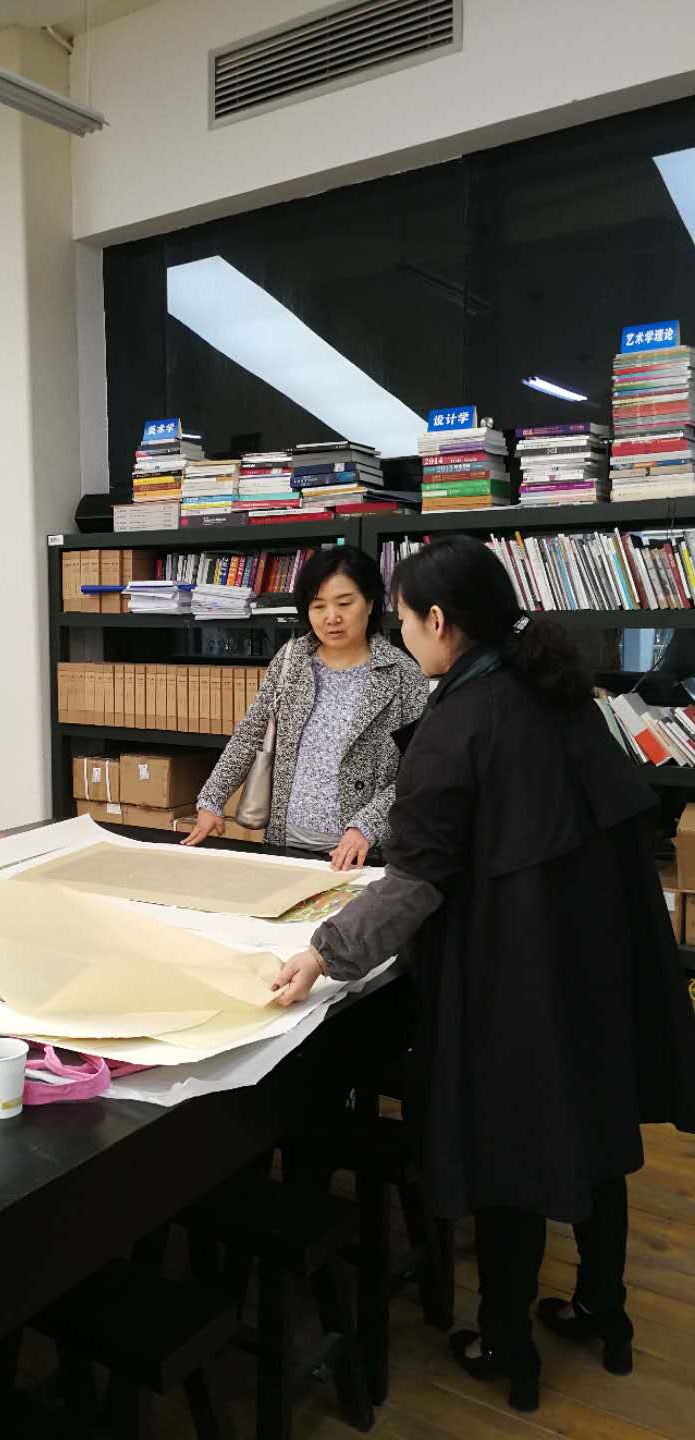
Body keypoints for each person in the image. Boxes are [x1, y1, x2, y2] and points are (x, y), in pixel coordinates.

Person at [272, 534, 695, 1412]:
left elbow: (416, 881)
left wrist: (323, 953)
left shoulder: (458, 723)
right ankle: (604, 1311)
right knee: (597, 1136)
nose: (399, 633)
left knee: (510, 1155)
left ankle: (507, 1344)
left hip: (517, 974)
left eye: (401, 619)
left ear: (439, 621)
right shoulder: (562, 692)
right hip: (599, 963)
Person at [182, 545, 429, 867]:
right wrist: (212, 800)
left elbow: (418, 774)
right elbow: (251, 735)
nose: (332, 618)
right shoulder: (291, 661)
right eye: (318, 606)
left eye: (344, 603)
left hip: (362, 851)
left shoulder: (403, 675)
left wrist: (368, 826)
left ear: (370, 603)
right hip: (285, 841)